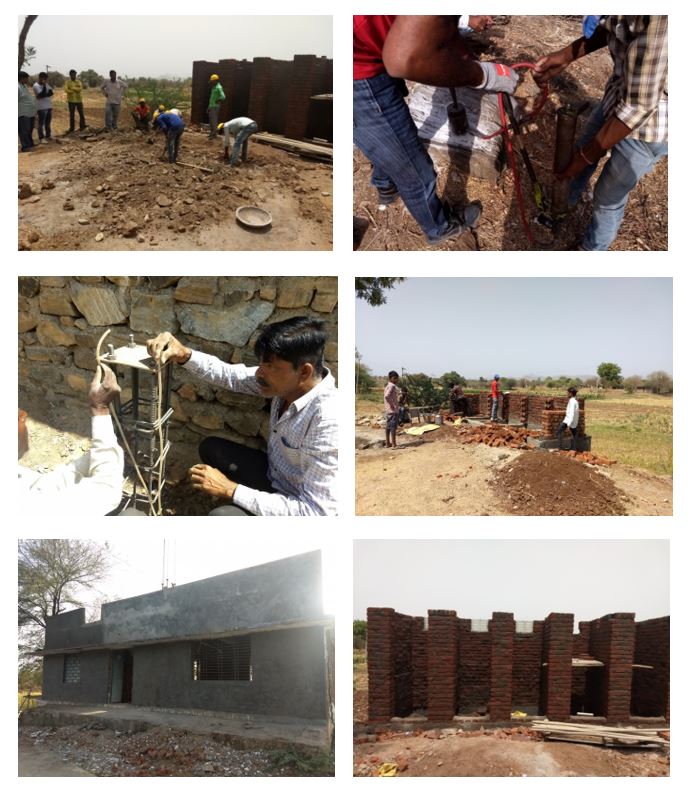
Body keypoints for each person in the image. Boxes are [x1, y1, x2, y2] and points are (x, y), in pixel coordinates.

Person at [146, 317, 338, 516]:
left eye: (270, 367)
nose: (259, 374)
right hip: (274, 476)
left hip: (295, 504)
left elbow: (317, 513)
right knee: (211, 448)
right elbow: (230, 376)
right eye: (262, 364)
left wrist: (231, 490)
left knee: (220, 517)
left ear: (304, 372)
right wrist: (184, 354)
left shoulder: (327, 420)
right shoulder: (286, 384)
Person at [353, 15, 519, 245]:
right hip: (360, 78)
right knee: (416, 171)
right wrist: (485, 75)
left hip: (368, 60)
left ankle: (386, 186)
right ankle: (438, 228)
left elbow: (442, 29)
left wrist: (468, 58)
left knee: (386, 140)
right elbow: (405, 60)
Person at [533, 16, 668, 251]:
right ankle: (562, 204)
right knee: (580, 154)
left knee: (607, 198)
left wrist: (585, 157)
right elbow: (613, 28)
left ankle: (592, 250)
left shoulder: (661, 17)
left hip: (652, 123)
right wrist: (566, 56)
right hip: (618, 94)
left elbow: (639, 106)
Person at [18, 366, 124, 516]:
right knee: (134, 515)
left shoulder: (20, 480)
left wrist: (107, 446)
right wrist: (99, 409)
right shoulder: (28, 508)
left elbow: (46, 487)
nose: (23, 414)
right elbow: (106, 491)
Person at [33, 72, 54, 143]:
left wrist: (45, 93)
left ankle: (48, 136)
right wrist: (44, 87)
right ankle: (41, 138)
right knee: (41, 124)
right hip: (41, 107)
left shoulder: (46, 84)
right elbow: (41, 95)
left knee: (48, 123)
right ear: (40, 78)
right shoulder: (36, 86)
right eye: (44, 79)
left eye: (46, 79)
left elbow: (51, 93)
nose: (45, 80)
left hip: (48, 106)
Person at [18, 71, 36, 152]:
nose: (27, 79)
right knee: (24, 130)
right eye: (26, 78)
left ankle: (30, 143)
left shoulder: (24, 86)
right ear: (21, 78)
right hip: (23, 113)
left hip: (30, 112)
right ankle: (25, 146)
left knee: (29, 129)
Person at [384, 370, 400, 449]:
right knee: (393, 427)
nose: (396, 380)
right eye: (394, 378)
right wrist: (393, 405)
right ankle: (394, 444)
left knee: (388, 426)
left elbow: (387, 396)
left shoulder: (388, 385)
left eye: (397, 378)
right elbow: (387, 396)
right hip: (392, 410)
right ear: (390, 378)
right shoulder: (392, 386)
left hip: (388, 410)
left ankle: (388, 443)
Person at [207, 74, 225, 139]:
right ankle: (211, 133)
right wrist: (209, 107)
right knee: (211, 120)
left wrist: (218, 100)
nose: (211, 83)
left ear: (216, 81)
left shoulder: (218, 87)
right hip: (211, 106)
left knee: (214, 120)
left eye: (212, 81)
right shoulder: (214, 87)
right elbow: (212, 98)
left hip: (215, 106)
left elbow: (223, 96)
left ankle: (214, 135)